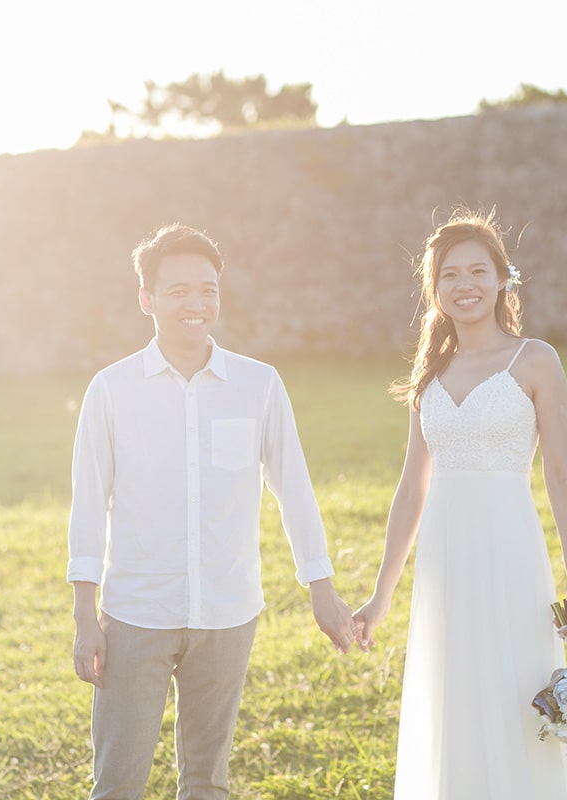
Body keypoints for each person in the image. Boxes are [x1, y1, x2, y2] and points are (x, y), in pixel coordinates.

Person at [67, 222, 358, 800]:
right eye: (178, 291)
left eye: (208, 290)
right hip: (135, 615)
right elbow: (87, 505)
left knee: (207, 783)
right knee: (118, 783)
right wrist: (84, 615)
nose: (196, 304)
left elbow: (294, 489)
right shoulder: (111, 389)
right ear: (147, 300)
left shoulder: (259, 384)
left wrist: (321, 589)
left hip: (229, 613)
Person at [353, 209, 567, 799]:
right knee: (454, 688)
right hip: (444, 557)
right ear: (434, 290)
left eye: (478, 271)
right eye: (450, 275)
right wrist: (381, 595)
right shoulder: (431, 372)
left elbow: (559, 474)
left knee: (515, 686)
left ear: (503, 278)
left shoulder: (536, 359)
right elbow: (412, 486)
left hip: (510, 546)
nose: (465, 285)